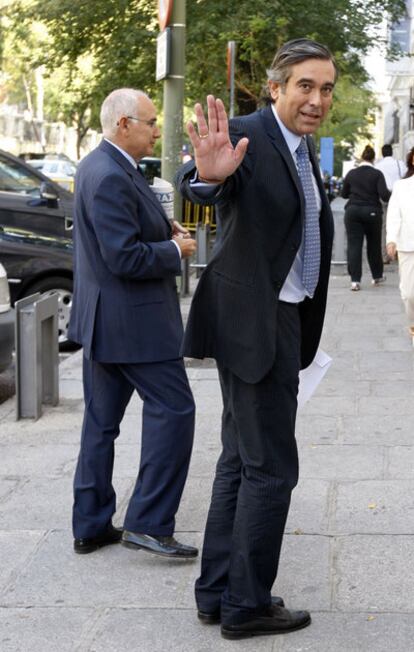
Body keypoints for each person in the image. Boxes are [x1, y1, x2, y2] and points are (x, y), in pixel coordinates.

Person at [175, 38, 336, 639]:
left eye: (325, 88)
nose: (316, 99)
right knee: (271, 470)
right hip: (257, 322)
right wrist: (206, 181)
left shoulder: (301, 147)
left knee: (240, 460)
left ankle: (218, 592)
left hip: (277, 316)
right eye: (304, 86)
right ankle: (246, 604)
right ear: (276, 88)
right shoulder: (246, 133)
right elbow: (202, 181)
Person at [69, 88, 198, 559]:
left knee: (100, 426)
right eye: (148, 121)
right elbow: (122, 256)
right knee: (176, 411)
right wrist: (173, 252)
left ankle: (91, 524)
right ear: (123, 124)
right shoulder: (109, 175)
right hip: (134, 325)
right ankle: (148, 522)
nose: (155, 129)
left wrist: (165, 230)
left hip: (108, 322)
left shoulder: (101, 166)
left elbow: (122, 230)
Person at [342, 145, 390, 291]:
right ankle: (376, 276)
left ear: (362, 157)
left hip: (353, 211)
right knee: (374, 245)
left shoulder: (351, 174)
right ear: (373, 159)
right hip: (372, 212)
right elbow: (384, 195)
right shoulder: (377, 174)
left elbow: (344, 194)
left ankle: (355, 281)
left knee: (354, 245)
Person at [386, 146, 414, 346]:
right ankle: (413, 323)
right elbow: (394, 214)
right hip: (408, 244)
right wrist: (391, 239)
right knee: (409, 293)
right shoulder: (401, 186)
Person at [375, 143, 407, 262]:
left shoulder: (378, 166)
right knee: (400, 223)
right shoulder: (399, 164)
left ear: (382, 153)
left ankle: (385, 255)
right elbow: (405, 176)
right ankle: (399, 252)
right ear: (391, 152)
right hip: (398, 195)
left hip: (383, 197)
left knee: (385, 225)